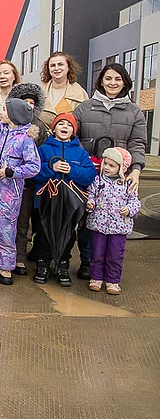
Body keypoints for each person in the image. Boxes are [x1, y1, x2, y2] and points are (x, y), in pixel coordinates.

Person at [73, 63, 147, 280]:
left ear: (124, 82)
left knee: (114, 222)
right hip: (90, 173)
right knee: (88, 218)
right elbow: (72, 136)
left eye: (117, 79)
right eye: (108, 78)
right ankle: (88, 262)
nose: (112, 83)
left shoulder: (134, 111)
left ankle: (111, 267)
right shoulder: (85, 108)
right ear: (101, 81)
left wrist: (136, 169)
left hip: (119, 178)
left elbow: (138, 143)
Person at [0, 98, 41, 285]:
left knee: (6, 229)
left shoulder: (26, 139)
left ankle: (6, 266)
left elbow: (34, 166)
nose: (2, 112)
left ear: (15, 115)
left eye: (5, 110)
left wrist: (12, 172)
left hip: (10, 192)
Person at [31, 113, 96, 286]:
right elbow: (33, 172)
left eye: (69, 125)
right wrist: (50, 168)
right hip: (45, 202)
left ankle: (62, 264)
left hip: (70, 204)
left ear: (73, 130)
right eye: (61, 124)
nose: (65, 127)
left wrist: (72, 170)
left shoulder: (80, 153)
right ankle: (43, 264)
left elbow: (90, 175)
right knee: (44, 234)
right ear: (53, 128)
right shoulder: (44, 149)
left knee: (68, 236)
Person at [85, 147, 141, 295]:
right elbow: (90, 195)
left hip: (119, 227)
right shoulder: (97, 180)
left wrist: (129, 209)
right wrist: (90, 204)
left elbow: (135, 201)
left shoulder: (127, 183)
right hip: (99, 224)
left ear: (121, 168)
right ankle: (96, 278)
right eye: (105, 164)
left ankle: (112, 280)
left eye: (112, 165)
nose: (107, 168)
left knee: (115, 254)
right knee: (97, 252)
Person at [6, 82, 49, 275]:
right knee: (9, 221)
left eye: (32, 102)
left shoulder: (38, 126)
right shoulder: (5, 124)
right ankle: (8, 256)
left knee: (24, 220)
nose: (29, 105)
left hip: (28, 182)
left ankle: (20, 257)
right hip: (7, 181)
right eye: (25, 102)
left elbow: (42, 153)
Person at [40, 51, 87, 126]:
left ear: (68, 67)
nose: (56, 68)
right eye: (52, 65)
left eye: (60, 64)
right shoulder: (38, 92)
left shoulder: (80, 93)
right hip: (42, 137)